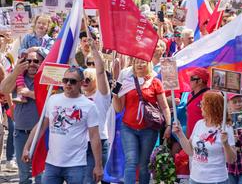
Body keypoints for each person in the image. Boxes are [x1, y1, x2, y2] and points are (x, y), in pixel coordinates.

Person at [22, 67, 103, 184]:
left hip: (76, 165)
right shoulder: (53, 99)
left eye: (73, 81)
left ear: (81, 83)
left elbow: (95, 137)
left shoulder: (89, 106)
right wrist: (27, 147)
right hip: (52, 164)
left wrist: (98, 165)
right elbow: (41, 126)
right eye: (65, 80)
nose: (68, 84)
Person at [112, 58, 171, 184]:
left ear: (148, 64)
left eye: (142, 62)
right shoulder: (125, 82)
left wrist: (169, 125)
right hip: (128, 128)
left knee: (144, 165)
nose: (139, 64)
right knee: (131, 161)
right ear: (132, 64)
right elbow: (119, 108)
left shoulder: (155, 82)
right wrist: (115, 95)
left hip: (149, 129)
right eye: (136, 62)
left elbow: (164, 106)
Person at [0, 50, 46, 183]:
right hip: (21, 133)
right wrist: (15, 72)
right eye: (28, 61)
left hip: (41, 133)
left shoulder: (46, 77)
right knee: (24, 175)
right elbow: (3, 89)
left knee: (41, 175)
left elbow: (53, 99)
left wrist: (29, 93)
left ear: (42, 63)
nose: (32, 64)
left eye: (36, 61)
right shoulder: (18, 77)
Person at [173, 91, 237, 184]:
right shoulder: (199, 124)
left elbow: (231, 160)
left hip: (216, 180)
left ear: (212, 108)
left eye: (203, 104)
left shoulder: (225, 128)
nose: (200, 106)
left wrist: (226, 144)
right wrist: (180, 134)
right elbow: (190, 151)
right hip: (195, 179)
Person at [81, 39, 111, 184]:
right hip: (81, 142)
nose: (84, 81)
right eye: (83, 79)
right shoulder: (79, 97)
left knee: (95, 179)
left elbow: (100, 72)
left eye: (88, 79)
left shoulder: (102, 96)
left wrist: (94, 51)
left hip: (99, 141)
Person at [186, 68, 210, 137]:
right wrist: (187, 136)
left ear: (200, 81)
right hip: (191, 136)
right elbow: (189, 117)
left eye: (192, 79)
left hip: (204, 137)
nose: (189, 81)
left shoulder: (209, 96)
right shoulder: (190, 95)